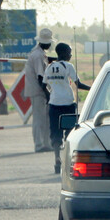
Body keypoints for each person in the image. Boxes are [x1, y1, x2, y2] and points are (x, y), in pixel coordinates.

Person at [44, 43, 91, 174]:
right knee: (70, 133)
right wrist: (92, 89)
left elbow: (43, 85)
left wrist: (50, 96)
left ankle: (57, 158)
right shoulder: (68, 66)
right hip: (68, 103)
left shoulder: (49, 67)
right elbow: (78, 84)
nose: (70, 55)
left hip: (54, 105)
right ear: (64, 53)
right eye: (69, 53)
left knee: (55, 132)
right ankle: (68, 160)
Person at [23, 28, 54, 153]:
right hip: (38, 91)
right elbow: (41, 77)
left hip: (38, 91)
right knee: (39, 119)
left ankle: (45, 143)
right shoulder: (38, 56)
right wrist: (47, 94)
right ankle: (39, 144)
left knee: (44, 119)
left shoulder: (38, 53)